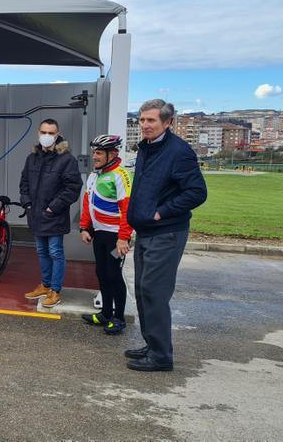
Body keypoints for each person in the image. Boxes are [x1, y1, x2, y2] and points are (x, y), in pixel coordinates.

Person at [125, 99, 207, 372]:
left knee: (154, 292)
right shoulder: (147, 148)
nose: (145, 125)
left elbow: (197, 192)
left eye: (151, 120)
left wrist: (161, 212)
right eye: (142, 120)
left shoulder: (178, 151)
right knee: (141, 290)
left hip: (166, 232)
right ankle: (152, 344)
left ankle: (161, 356)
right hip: (146, 231)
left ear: (167, 122)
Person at [20, 118, 82, 307]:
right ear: (38, 133)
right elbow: (24, 183)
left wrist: (53, 207)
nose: (46, 136)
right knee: (41, 251)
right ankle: (45, 285)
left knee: (55, 252)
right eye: (44, 132)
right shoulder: (32, 158)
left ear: (57, 134)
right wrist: (27, 204)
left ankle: (55, 290)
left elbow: (72, 187)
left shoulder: (66, 159)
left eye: (51, 133)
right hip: (36, 215)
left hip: (54, 215)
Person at [79, 134, 133, 335]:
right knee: (101, 273)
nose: (95, 156)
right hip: (100, 235)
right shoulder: (94, 175)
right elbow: (87, 204)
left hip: (116, 238)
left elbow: (127, 209)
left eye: (99, 152)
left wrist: (123, 237)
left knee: (114, 275)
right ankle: (105, 314)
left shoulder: (121, 175)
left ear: (113, 153)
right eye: (94, 152)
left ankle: (118, 318)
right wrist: (85, 227)